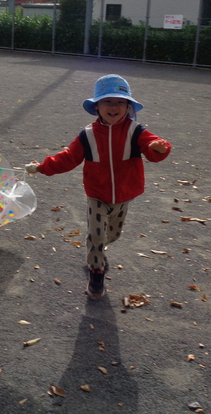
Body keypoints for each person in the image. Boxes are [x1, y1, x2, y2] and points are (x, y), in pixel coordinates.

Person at [26, 74, 171, 297]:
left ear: (128, 107)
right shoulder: (88, 135)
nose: (113, 107)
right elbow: (69, 158)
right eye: (107, 101)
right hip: (97, 193)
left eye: (120, 102)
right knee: (96, 237)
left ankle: (99, 252)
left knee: (112, 234)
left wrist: (159, 148)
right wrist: (42, 167)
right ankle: (96, 272)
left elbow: (153, 149)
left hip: (124, 193)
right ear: (97, 107)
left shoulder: (135, 131)